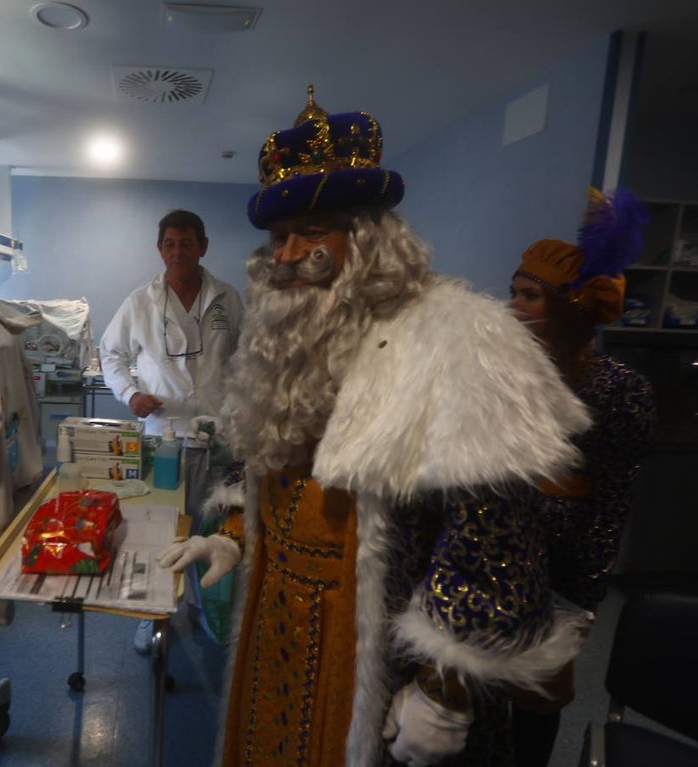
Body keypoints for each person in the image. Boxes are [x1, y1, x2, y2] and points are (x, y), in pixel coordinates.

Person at [156, 86, 593, 766]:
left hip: (376, 643)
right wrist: (237, 535)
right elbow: (270, 456)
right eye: (278, 237)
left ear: (366, 236)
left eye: (314, 229)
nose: (292, 253)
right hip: (278, 611)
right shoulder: (285, 337)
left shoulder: (456, 338)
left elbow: (493, 532)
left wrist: (445, 683)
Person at [507, 189, 656, 767]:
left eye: (528, 295)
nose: (512, 305)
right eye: (513, 290)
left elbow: (614, 497)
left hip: (558, 571)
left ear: (568, 306)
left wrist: (582, 598)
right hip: (487, 558)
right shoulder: (505, 377)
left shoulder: (620, 390)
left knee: (535, 706)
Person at [99, 208, 243, 653]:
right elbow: (111, 354)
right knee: (159, 525)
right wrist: (130, 394)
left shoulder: (227, 298)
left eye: (186, 242)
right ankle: (152, 613)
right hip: (164, 433)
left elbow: (247, 358)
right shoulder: (141, 301)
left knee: (212, 524)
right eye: (169, 243)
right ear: (160, 249)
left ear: (203, 246)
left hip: (221, 436)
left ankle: (204, 609)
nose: (177, 251)